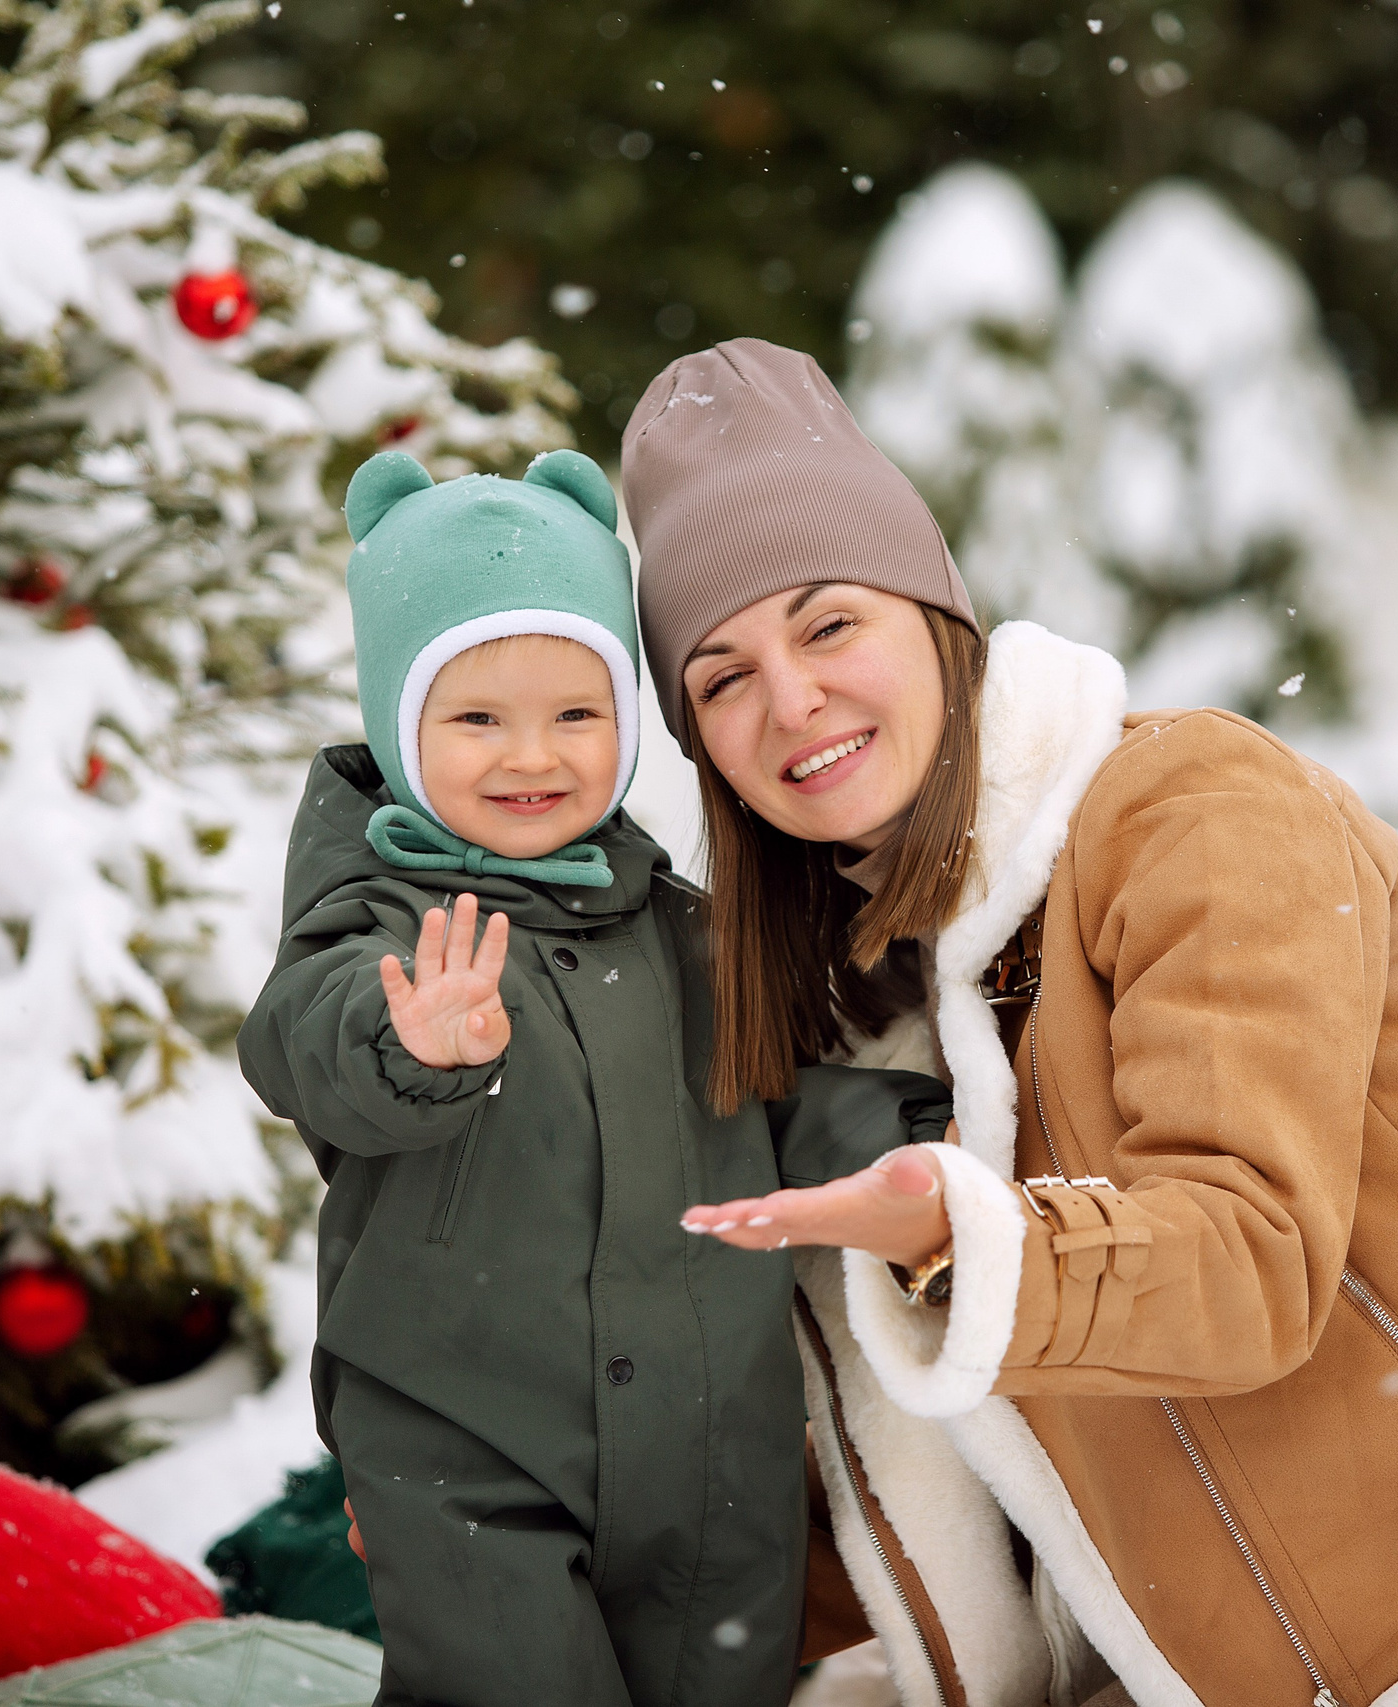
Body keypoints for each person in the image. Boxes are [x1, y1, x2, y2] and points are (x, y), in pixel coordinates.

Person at [623, 340, 1398, 1707]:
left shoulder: (1188, 807)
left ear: (936, 617)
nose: (792, 698)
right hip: (1295, 1655)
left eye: (828, 625)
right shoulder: (867, 1032)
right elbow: (924, 1486)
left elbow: (1251, 1252)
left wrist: (954, 1234)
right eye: (723, 674)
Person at [237, 447, 952, 1707]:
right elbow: (302, 1040)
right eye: (475, 718)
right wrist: (409, 1041)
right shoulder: (385, 926)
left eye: (577, 713)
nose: (535, 756)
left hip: (705, 1449)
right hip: (464, 1451)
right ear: (400, 727)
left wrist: (926, 1128)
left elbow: (770, 1107)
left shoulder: (679, 931)